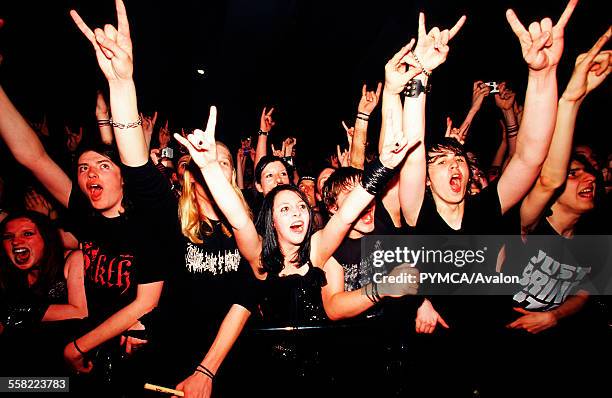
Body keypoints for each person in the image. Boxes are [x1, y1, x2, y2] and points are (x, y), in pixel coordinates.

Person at [174, 102, 416, 395]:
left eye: (301, 206)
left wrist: (384, 166)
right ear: (272, 221)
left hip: (324, 370)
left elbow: (347, 212)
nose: (297, 213)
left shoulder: (317, 250)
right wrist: (210, 168)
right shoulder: (260, 258)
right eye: (285, 208)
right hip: (272, 374)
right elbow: (237, 218)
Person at [0, 210, 87, 375]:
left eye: (27, 234)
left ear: (46, 238)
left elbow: (80, 312)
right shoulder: (9, 275)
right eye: (8, 237)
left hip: (63, 370)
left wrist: (15, 310)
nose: (16, 242)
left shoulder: (72, 259)